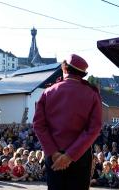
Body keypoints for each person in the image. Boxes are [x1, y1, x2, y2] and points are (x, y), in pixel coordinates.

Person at [33, 54, 102, 190]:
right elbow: (94, 128)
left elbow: (38, 125)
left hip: (54, 156)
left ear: (64, 69)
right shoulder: (92, 94)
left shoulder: (47, 92)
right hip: (80, 157)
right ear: (83, 74)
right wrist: (70, 156)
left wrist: (53, 152)